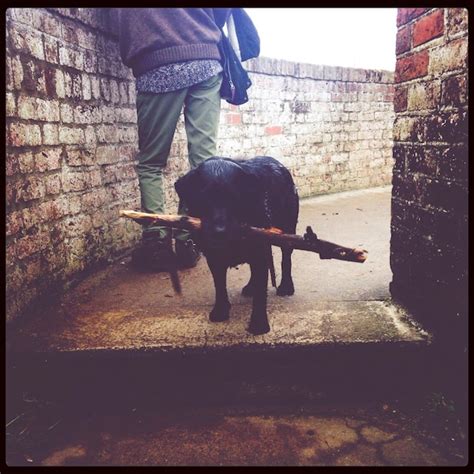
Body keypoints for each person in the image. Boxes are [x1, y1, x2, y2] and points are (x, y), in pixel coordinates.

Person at [112, 8, 231, 272]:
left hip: (157, 63)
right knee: (204, 164)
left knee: (151, 163)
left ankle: (156, 242)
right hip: (205, 59)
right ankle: (189, 240)